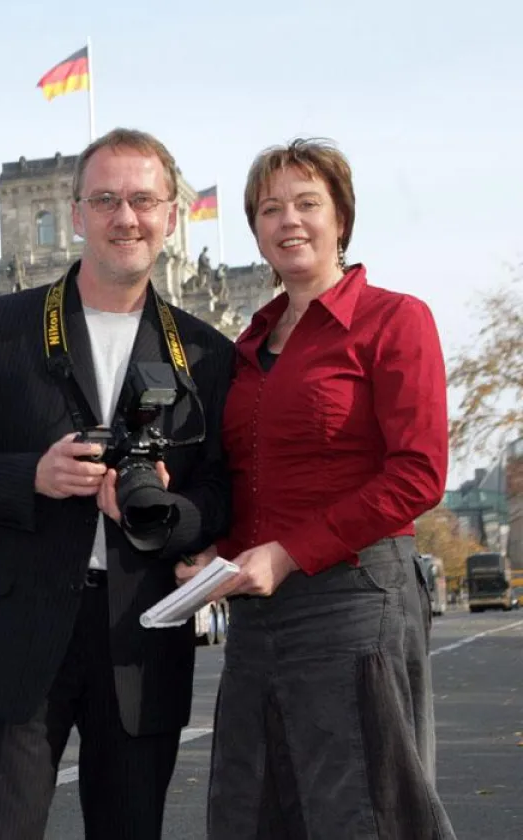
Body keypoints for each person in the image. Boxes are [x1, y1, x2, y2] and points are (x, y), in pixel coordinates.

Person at [0, 127, 235, 840]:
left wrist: (168, 514)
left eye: (145, 200)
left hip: (142, 632)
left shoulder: (207, 352)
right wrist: (31, 474)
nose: (128, 217)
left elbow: (221, 494)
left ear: (171, 217)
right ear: (78, 213)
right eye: (108, 200)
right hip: (17, 630)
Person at [183, 138, 456, 838]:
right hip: (259, 609)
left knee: (361, 807)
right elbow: (249, 479)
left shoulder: (395, 319)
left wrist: (289, 552)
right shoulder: (248, 346)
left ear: (341, 219)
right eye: (270, 209)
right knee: (252, 807)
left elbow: (418, 473)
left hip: (354, 597)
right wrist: (210, 553)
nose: (289, 221)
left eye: (308, 203)